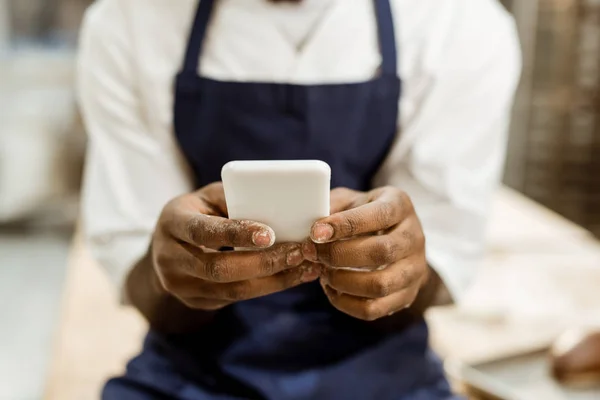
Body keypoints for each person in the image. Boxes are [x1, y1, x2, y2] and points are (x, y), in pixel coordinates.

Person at [77, 0, 521, 398]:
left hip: (383, 378)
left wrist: (402, 266)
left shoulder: (459, 26)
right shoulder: (128, 23)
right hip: (190, 377)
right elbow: (138, 269)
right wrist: (166, 273)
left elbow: (440, 261)